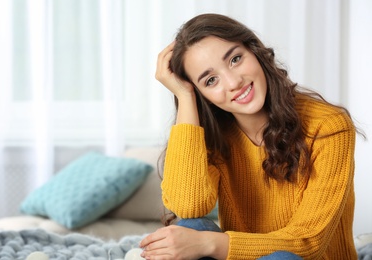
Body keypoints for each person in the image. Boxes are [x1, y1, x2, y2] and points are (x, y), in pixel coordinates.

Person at [139, 13, 359, 259]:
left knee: (281, 257)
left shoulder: (328, 125)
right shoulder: (216, 135)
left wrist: (210, 244)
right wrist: (185, 96)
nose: (234, 82)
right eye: (210, 80)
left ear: (255, 51)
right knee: (192, 226)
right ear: (202, 94)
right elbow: (188, 206)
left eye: (235, 59)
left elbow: (307, 243)